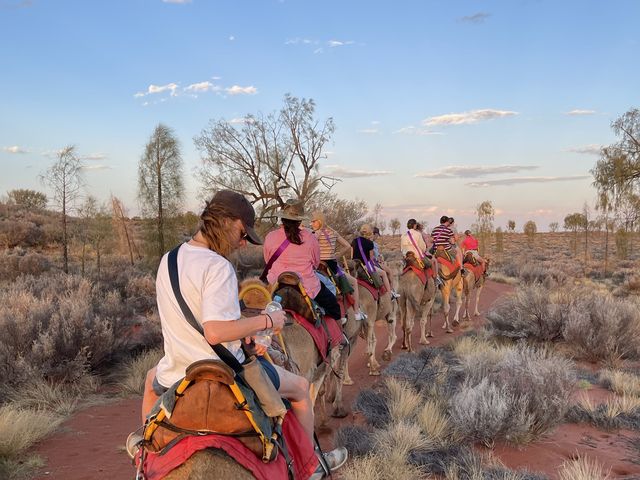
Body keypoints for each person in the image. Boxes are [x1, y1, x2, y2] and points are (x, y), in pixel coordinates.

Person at [132, 191, 347, 477]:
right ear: (227, 222)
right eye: (243, 232)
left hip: (176, 370)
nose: (243, 241)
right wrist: (267, 322)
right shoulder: (217, 265)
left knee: (149, 381)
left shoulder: (169, 259)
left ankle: (144, 449)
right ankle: (310, 466)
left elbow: (201, 322)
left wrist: (239, 332)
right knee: (298, 389)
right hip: (224, 373)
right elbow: (215, 331)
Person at [263, 199, 344, 325]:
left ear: (282, 218)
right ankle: (339, 341)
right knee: (334, 308)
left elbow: (268, 261)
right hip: (306, 286)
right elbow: (315, 263)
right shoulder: (310, 237)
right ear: (300, 220)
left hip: (275, 284)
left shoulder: (270, 236)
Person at [310, 211, 366, 321]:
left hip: (318, 265)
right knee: (354, 282)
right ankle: (356, 312)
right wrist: (337, 255)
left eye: (313, 221)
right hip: (332, 265)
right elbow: (347, 246)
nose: (311, 223)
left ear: (319, 221)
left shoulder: (314, 234)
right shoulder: (333, 232)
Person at [351, 223, 400, 299]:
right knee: (383, 273)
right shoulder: (370, 243)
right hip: (365, 267)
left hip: (355, 267)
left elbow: (352, 257)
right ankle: (390, 294)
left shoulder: (354, 241)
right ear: (370, 232)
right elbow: (370, 259)